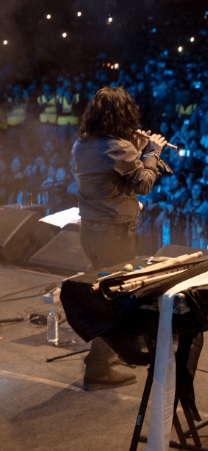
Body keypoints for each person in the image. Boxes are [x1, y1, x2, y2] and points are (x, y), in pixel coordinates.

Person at [71, 86, 167, 390]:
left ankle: (108, 355)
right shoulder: (117, 146)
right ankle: (99, 366)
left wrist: (136, 151)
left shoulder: (82, 144)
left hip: (91, 231)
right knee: (116, 300)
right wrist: (151, 152)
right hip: (114, 233)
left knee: (104, 293)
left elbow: (111, 175)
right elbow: (143, 184)